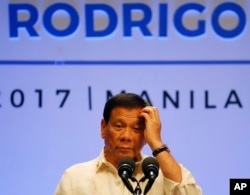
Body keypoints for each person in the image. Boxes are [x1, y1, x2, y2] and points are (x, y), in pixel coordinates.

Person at [55, 93, 202, 195]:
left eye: (136, 128)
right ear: (103, 128)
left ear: (146, 133)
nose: (126, 136)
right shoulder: (75, 177)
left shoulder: (161, 175)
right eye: (119, 126)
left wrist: (156, 142)